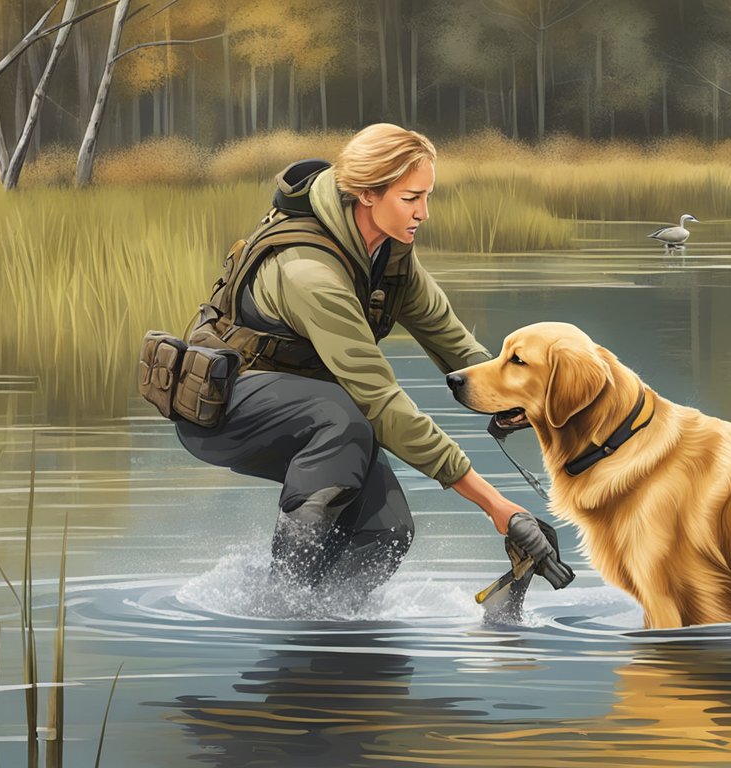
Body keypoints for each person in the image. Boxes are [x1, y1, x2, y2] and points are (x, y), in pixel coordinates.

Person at [176, 123, 571, 597]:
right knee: (345, 420)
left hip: (318, 417)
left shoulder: (390, 253)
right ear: (366, 193)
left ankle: (331, 626)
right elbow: (381, 402)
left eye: (427, 196)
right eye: (411, 198)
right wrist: (497, 507)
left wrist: (528, 400)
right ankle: (280, 605)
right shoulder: (309, 271)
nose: (424, 213)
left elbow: (451, 340)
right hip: (226, 411)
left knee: (387, 532)